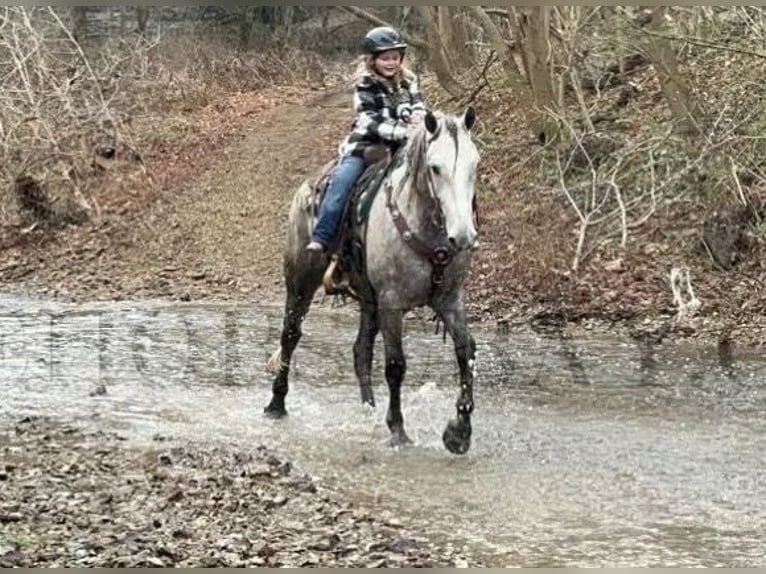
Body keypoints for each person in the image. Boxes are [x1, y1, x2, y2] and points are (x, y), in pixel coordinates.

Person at [306, 26, 428, 254]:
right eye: (385, 58)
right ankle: (323, 235)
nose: (391, 63)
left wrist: (419, 118)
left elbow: (418, 104)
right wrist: (403, 131)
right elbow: (368, 119)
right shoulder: (365, 85)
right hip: (366, 148)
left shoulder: (409, 81)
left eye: (395, 58)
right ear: (373, 60)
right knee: (341, 184)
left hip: (403, 148)